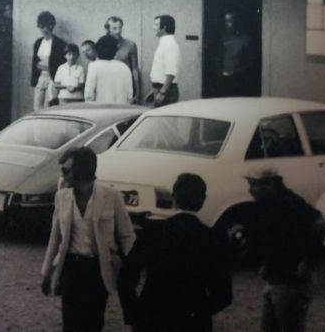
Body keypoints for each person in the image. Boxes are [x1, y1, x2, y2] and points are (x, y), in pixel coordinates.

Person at [118, 174, 233, 332]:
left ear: (174, 197)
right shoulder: (212, 238)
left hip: (152, 317)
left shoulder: (154, 232)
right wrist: (201, 312)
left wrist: (133, 314)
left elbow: (126, 277)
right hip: (193, 320)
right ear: (202, 200)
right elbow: (223, 294)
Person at [41, 147, 136, 332]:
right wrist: (46, 273)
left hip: (98, 269)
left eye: (66, 170)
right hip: (71, 267)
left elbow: (127, 236)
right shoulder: (62, 197)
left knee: (93, 322)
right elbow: (55, 238)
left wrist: (128, 270)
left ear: (82, 170)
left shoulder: (111, 197)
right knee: (70, 322)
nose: (62, 175)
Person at [245, 167, 325, 332]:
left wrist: (308, 262)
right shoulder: (269, 204)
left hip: (290, 283)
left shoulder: (289, 203)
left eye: (254, 184)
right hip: (274, 280)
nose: (250, 189)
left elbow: (319, 224)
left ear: (269, 184)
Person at [31, 11, 67, 111]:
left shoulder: (59, 43)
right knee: (37, 107)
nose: (45, 29)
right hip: (40, 77)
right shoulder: (38, 43)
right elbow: (35, 61)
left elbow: (62, 65)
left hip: (52, 77)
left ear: (52, 26)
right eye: (42, 26)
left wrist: (47, 68)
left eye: (48, 26)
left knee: (49, 106)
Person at [84, 36, 133, 105]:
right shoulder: (124, 67)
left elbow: (88, 95)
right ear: (115, 51)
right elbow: (129, 96)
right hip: (122, 111)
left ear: (98, 50)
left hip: (101, 111)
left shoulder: (94, 66)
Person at [105, 17, 141, 103]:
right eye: (114, 28)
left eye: (120, 27)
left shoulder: (130, 45)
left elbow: (135, 69)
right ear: (108, 29)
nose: (118, 31)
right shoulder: (103, 44)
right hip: (108, 86)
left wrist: (138, 92)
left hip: (125, 85)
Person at [221, 12, 256, 97]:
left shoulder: (246, 39)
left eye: (230, 20)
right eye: (225, 21)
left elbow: (252, 61)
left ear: (236, 21)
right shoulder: (222, 37)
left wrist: (237, 72)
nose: (227, 23)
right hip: (224, 78)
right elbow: (217, 57)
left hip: (240, 78)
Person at [149, 15, 181, 107]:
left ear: (164, 27)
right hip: (161, 88)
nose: (153, 28)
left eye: (156, 25)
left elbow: (171, 72)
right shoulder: (165, 43)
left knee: (163, 121)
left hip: (166, 91)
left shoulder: (170, 45)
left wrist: (162, 93)